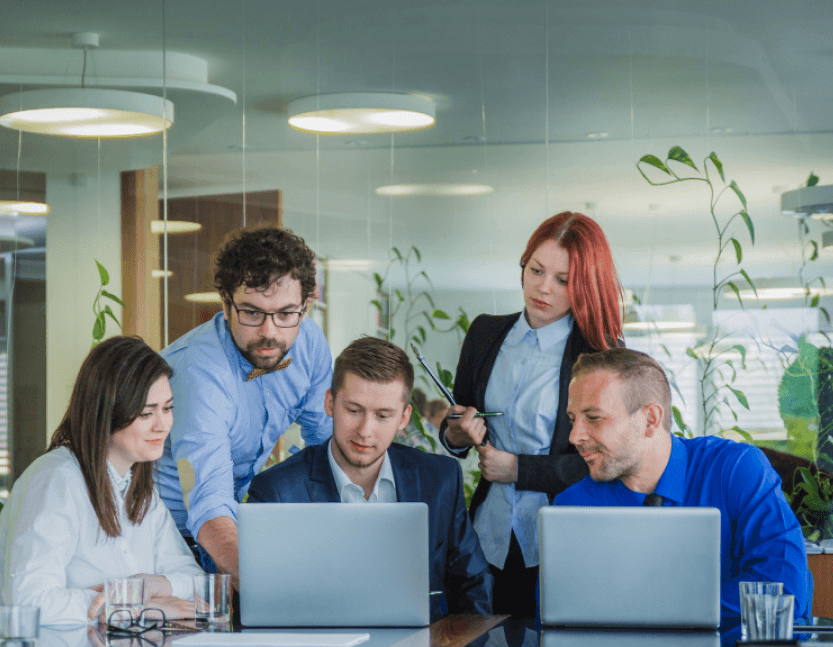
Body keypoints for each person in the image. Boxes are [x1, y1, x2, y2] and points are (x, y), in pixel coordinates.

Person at [441, 211, 623, 616]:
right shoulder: (485, 334)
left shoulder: (599, 356)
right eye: (536, 270)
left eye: (563, 281)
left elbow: (606, 462)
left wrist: (519, 469)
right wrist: (456, 434)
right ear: (523, 266)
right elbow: (459, 420)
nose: (543, 288)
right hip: (486, 537)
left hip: (562, 541)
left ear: (585, 287)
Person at [557, 347, 811, 618]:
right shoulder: (574, 507)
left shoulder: (735, 470)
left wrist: (654, 609)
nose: (575, 436)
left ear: (650, 420)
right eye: (573, 420)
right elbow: (559, 615)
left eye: (594, 418)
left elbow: (784, 591)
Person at [247, 337, 493, 616]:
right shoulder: (277, 492)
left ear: (403, 418)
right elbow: (265, 608)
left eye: (383, 415)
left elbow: (473, 587)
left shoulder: (439, 479)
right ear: (330, 403)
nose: (365, 430)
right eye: (353, 410)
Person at [156, 226, 333, 585]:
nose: (270, 332)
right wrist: (264, 586)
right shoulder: (199, 373)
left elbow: (324, 448)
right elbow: (208, 501)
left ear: (306, 306)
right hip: (167, 538)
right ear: (225, 304)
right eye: (252, 313)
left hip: (235, 523)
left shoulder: (309, 343)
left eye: (286, 313)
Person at [0, 336, 204, 627]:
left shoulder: (139, 490)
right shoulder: (57, 480)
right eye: (147, 413)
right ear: (107, 413)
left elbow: (196, 583)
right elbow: (27, 601)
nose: (163, 424)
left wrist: (151, 586)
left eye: (167, 408)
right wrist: (127, 604)